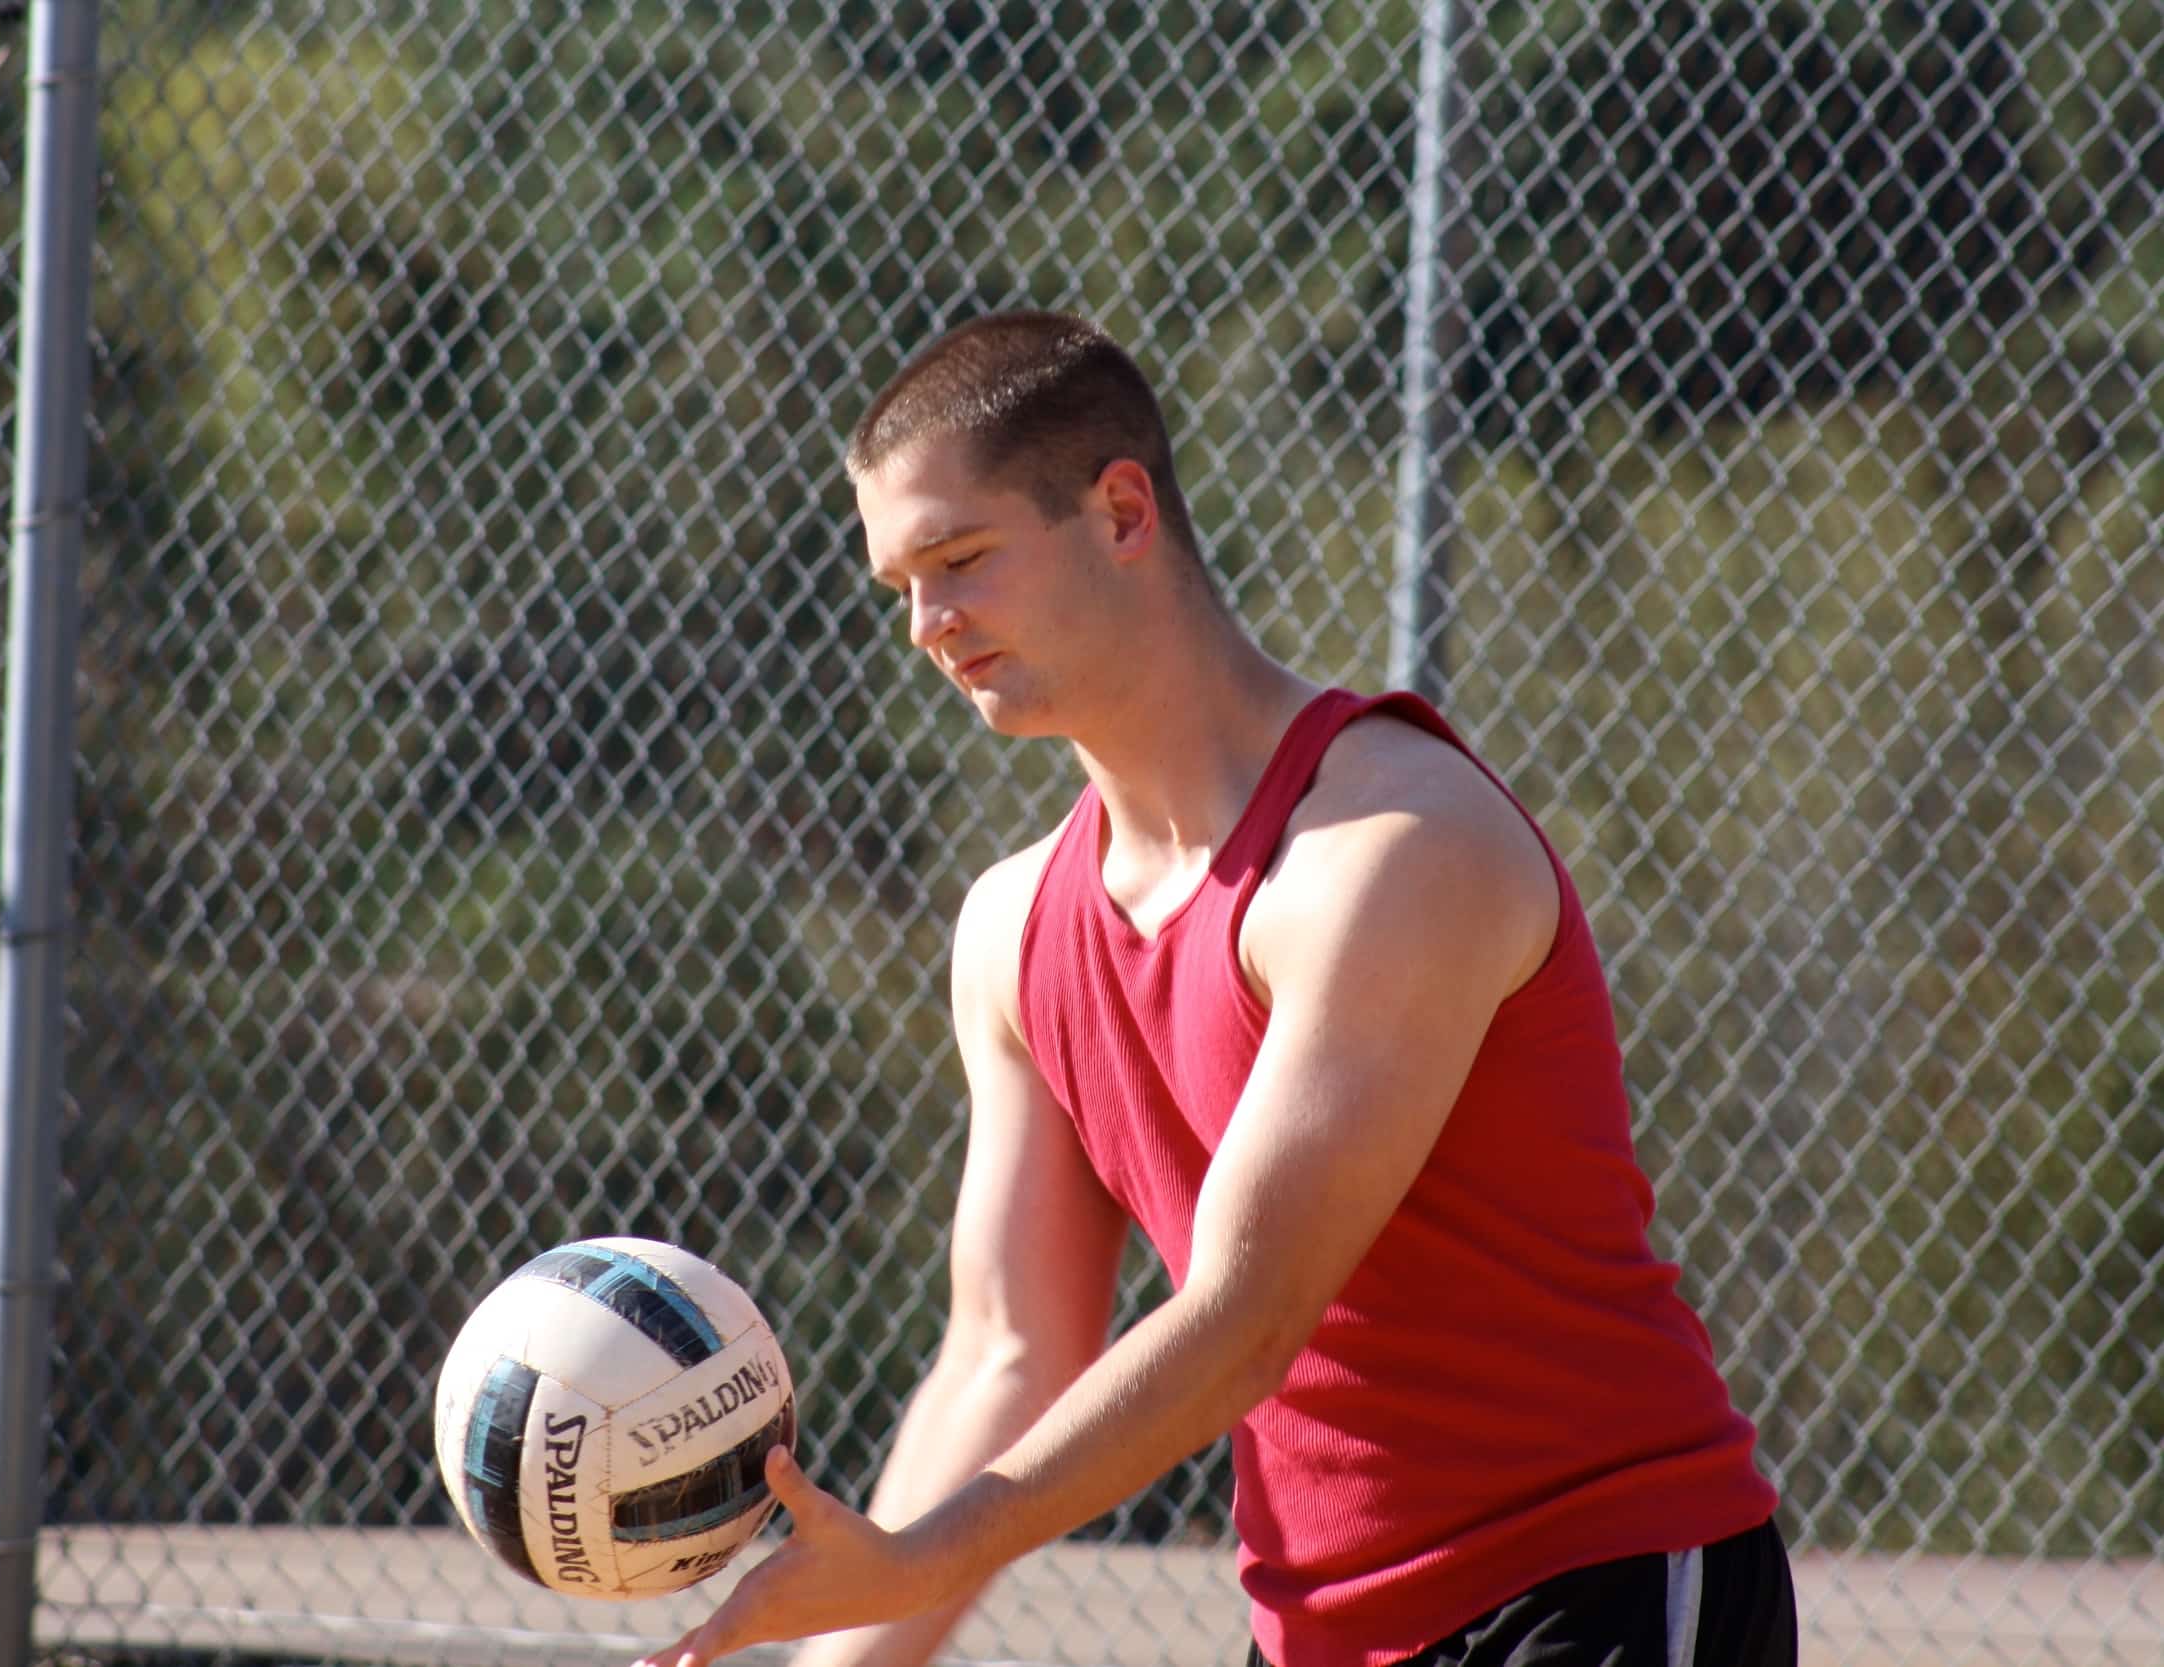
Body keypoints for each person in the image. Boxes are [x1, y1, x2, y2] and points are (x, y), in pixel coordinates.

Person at [632, 311, 1794, 1667]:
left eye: (958, 561)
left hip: (1595, 1583)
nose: (928, 626)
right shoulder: (1011, 931)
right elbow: (1010, 1348)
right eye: (899, 584)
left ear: (1122, 510)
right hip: (1319, 1633)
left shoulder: (1392, 847)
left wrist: (920, 1559)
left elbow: (1246, 1318)